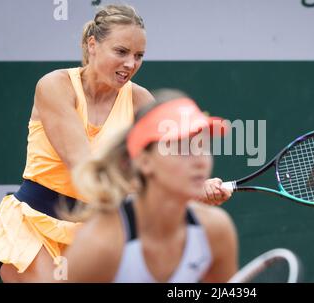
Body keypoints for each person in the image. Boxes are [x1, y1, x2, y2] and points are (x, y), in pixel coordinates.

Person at [0, 4, 230, 282]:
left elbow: (167, 163)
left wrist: (192, 187)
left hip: (94, 234)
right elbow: (84, 169)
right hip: (33, 227)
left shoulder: (141, 101)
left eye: (139, 55)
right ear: (93, 44)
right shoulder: (55, 86)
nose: (131, 63)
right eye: (121, 51)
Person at [52, 89, 238, 282]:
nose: (201, 161)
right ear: (144, 161)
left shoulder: (216, 231)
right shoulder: (100, 245)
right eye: (182, 148)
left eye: (204, 146)